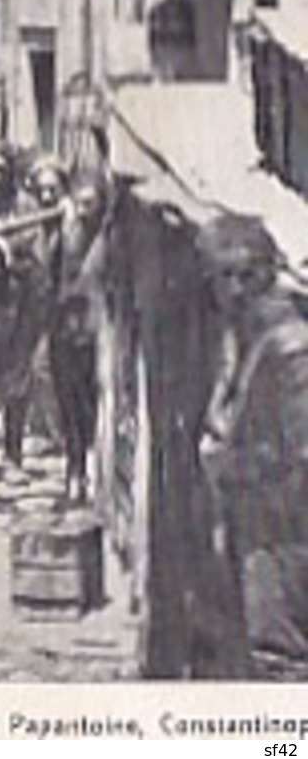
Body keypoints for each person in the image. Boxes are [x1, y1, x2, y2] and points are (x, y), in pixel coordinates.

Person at [196, 213, 308, 678]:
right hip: (256, 520)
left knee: (279, 656)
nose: (237, 288)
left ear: (269, 271)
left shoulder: (289, 347)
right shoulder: (244, 336)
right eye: (225, 276)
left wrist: (242, 467)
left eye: (248, 274)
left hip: (282, 526)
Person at [0, 139, 49, 486]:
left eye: (3, 169)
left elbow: (37, 248)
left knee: (18, 380)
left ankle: (13, 454)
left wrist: (10, 249)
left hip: (18, 301)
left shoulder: (26, 205)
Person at [50, 166, 109, 505]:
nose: (85, 210)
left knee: (93, 404)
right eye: (80, 203)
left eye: (91, 203)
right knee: (68, 403)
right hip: (64, 326)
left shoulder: (109, 235)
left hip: (97, 330)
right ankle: (74, 472)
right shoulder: (64, 229)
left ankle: (93, 471)